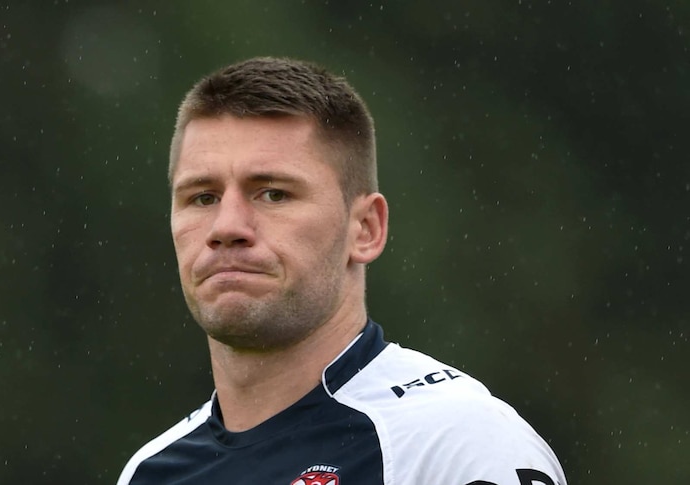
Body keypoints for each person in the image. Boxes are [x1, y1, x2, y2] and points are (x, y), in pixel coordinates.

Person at [117, 57, 567, 485]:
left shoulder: (453, 443)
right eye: (202, 197)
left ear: (365, 229)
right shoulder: (151, 472)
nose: (227, 227)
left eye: (272, 194)